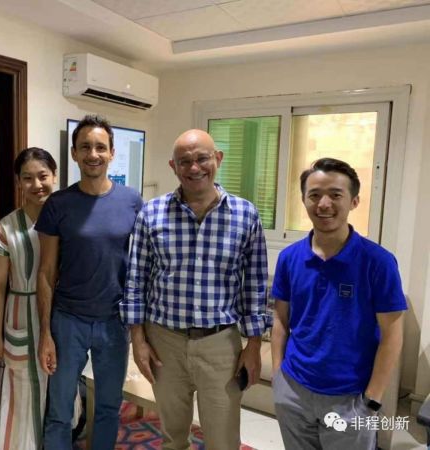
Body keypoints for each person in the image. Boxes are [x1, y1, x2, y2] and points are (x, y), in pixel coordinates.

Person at [120, 129, 269, 450]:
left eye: (202, 158)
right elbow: (136, 280)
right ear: (173, 166)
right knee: (173, 437)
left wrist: (254, 344)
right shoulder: (151, 214)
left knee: (223, 440)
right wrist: (138, 341)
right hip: (164, 343)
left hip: (220, 344)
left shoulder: (245, 214)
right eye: (185, 161)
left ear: (218, 159)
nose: (194, 167)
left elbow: (255, 284)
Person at [271, 158, 407, 450]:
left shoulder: (378, 262)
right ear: (304, 200)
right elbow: (281, 319)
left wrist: (372, 399)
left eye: (335, 194)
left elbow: (392, 335)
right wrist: (279, 377)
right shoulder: (289, 258)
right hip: (293, 390)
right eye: (314, 195)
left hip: (351, 398)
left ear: (354, 201)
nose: (324, 204)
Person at [35, 114, 143, 450]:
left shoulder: (132, 201)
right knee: (59, 410)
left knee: (109, 407)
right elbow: (46, 272)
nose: (92, 154)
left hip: (113, 322)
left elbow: (140, 267)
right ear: (74, 153)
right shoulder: (58, 205)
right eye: (85, 147)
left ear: (112, 153)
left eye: (100, 147)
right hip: (68, 322)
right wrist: (46, 333)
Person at [0, 147, 57, 450]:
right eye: (28, 178)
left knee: (58, 393)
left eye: (43, 176)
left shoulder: (65, 221)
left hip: (57, 317)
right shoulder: (6, 229)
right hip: (20, 316)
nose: (37, 184)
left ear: (54, 176)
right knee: (21, 395)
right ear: (18, 182)